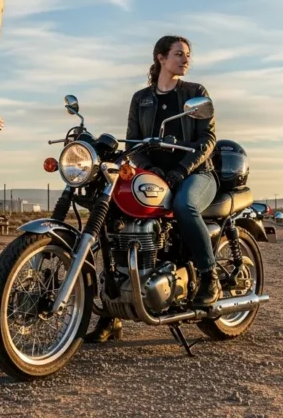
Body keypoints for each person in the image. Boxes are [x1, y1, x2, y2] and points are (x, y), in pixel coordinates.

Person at [86, 35, 219, 343]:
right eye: (179, 54)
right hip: (155, 175)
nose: (186, 60)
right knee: (112, 220)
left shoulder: (195, 93)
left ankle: (209, 276)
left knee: (185, 207)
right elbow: (133, 141)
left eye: (187, 55)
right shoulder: (141, 98)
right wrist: (151, 169)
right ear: (160, 57)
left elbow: (207, 141)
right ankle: (111, 313)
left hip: (196, 173)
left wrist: (179, 170)